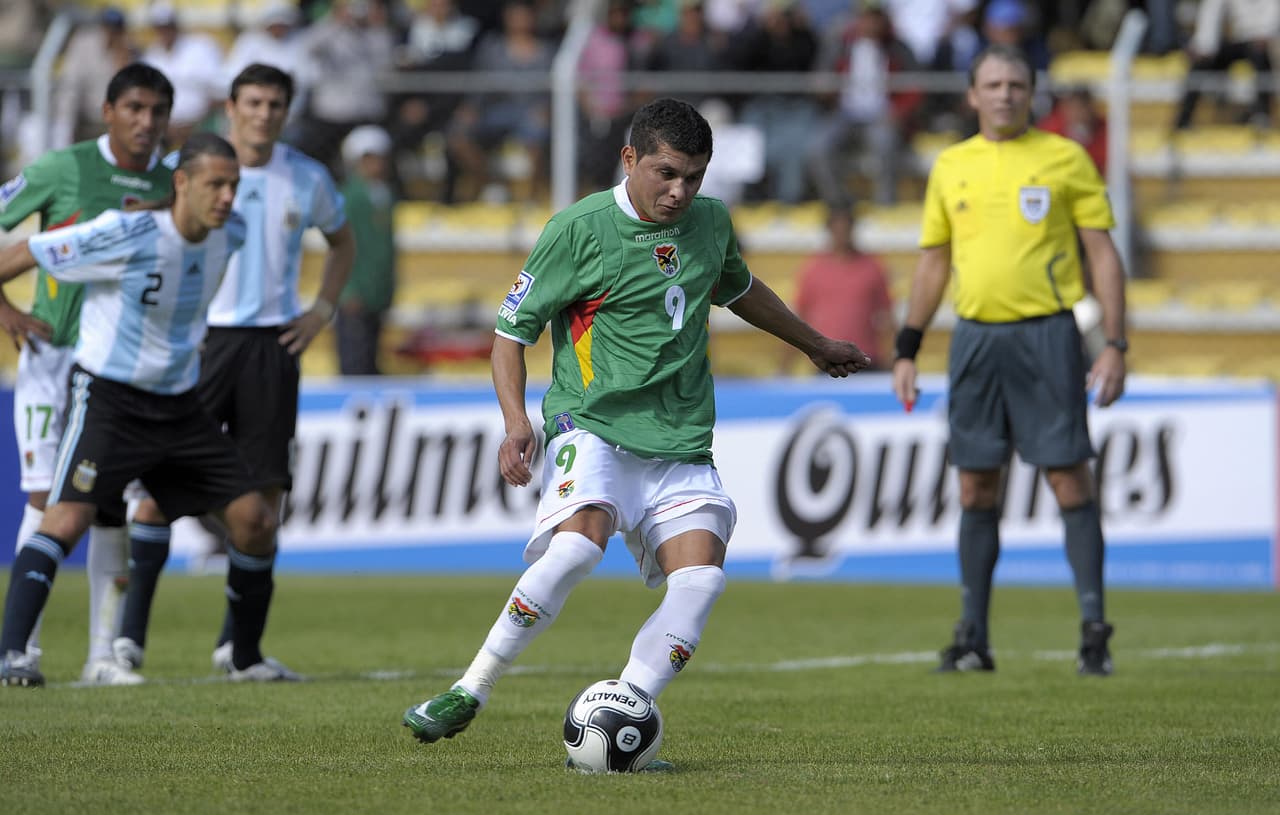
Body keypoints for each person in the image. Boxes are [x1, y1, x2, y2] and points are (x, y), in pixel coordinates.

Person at [401, 97, 872, 762]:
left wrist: (815, 343)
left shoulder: (709, 222)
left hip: (679, 439)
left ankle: (622, 708)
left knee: (703, 579)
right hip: (592, 422)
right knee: (574, 550)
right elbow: (510, 336)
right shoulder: (579, 229)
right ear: (630, 160)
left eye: (695, 177)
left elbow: (739, 289)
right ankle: (469, 689)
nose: (681, 191)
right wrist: (515, 424)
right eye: (667, 173)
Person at [0, 133, 284, 688]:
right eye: (215, 185)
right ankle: (12, 655)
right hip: (110, 400)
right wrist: (6, 310)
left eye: (234, 186)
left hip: (180, 406)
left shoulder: (234, 233)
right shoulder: (126, 232)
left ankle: (245, 658)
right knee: (68, 518)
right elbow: (29, 252)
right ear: (181, 183)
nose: (227, 197)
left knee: (255, 522)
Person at [890, 44, 1128, 677]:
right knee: (974, 484)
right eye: (992, 84)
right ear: (972, 95)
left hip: (1048, 336)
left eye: (1015, 84)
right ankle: (973, 637)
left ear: (1031, 92)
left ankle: (1094, 630)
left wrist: (1115, 344)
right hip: (975, 340)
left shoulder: (1064, 158)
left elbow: (1102, 255)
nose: (1004, 94)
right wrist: (908, 346)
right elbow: (934, 260)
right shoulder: (951, 166)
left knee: (1069, 478)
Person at [113, 63, 355, 680]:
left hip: (272, 346)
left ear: (286, 110)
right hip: (199, 341)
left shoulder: (306, 175)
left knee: (265, 497)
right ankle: (126, 642)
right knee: (155, 491)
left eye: (276, 103)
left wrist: (320, 310)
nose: (264, 113)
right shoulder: (191, 170)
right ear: (230, 105)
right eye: (253, 102)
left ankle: (236, 649)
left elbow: (342, 240)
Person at [0, 62, 175, 686]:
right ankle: (23, 648)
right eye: (134, 109)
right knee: (47, 497)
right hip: (53, 359)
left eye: (156, 111)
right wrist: (8, 311)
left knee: (111, 502)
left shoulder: (172, 181)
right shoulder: (63, 168)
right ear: (108, 111)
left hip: (121, 368)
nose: (145, 122)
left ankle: (103, 656)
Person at [784, 205, 894, 372]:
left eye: (845, 228)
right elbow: (800, 317)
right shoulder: (813, 269)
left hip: (866, 359)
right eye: (837, 229)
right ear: (829, 230)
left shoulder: (872, 267)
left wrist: (893, 360)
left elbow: (887, 318)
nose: (841, 234)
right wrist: (785, 366)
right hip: (827, 360)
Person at [335, 124, 397, 376]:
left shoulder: (385, 194)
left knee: (372, 358)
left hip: (376, 290)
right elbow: (341, 246)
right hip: (356, 292)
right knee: (354, 360)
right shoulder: (350, 197)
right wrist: (348, 288)